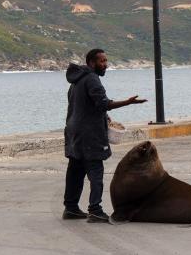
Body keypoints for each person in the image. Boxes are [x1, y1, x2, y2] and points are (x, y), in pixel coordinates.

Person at [62, 48, 147, 223]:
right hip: (89, 136)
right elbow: (103, 103)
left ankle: (70, 209)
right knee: (95, 172)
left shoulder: (76, 81)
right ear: (92, 63)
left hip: (73, 134)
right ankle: (95, 210)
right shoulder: (92, 79)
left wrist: (104, 117)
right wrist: (128, 102)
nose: (105, 65)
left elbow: (84, 106)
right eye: (102, 61)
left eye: (106, 61)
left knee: (75, 172)